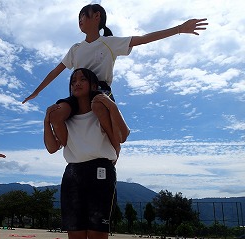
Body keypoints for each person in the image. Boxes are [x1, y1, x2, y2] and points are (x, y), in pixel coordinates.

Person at [25, 3, 208, 156]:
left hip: (100, 90)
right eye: (78, 17)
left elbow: (143, 39)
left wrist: (179, 29)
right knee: (56, 113)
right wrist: (36, 91)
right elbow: (55, 71)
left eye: (84, 15)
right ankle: (67, 147)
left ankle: (115, 147)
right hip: (78, 89)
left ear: (97, 16)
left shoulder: (109, 42)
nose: (80, 20)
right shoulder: (75, 48)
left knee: (98, 105)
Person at [44, 68, 129, 239]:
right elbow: (52, 148)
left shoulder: (99, 109)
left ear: (94, 85)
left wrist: (111, 104)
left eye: (83, 79)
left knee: (98, 238)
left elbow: (123, 135)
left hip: (100, 170)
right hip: (73, 173)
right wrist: (46, 120)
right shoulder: (66, 116)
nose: (76, 83)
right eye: (73, 80)